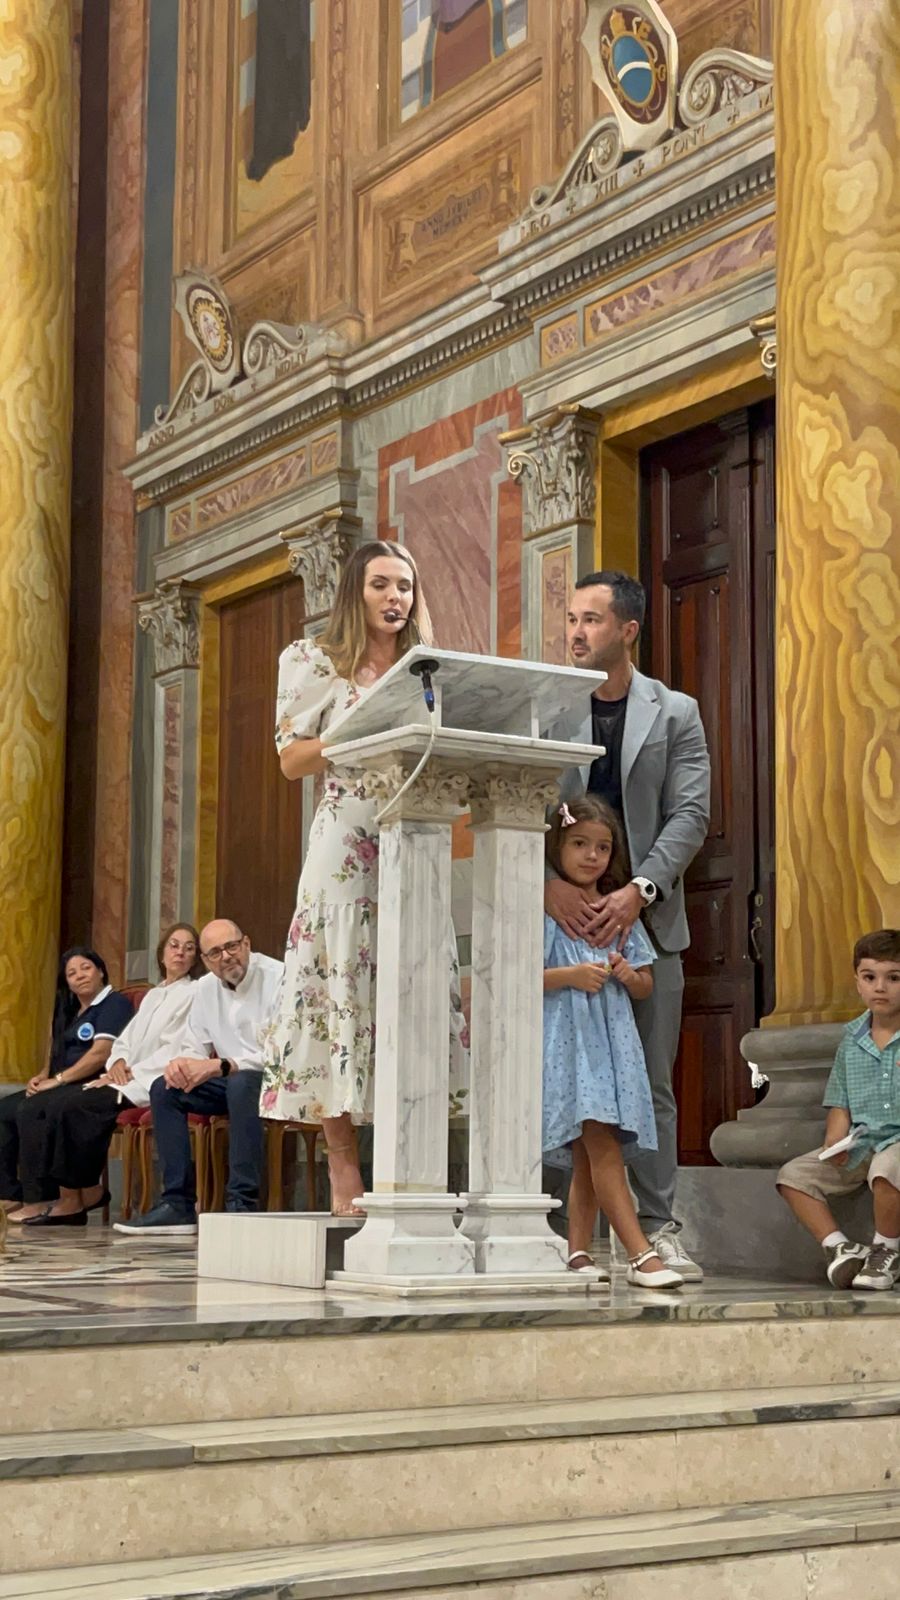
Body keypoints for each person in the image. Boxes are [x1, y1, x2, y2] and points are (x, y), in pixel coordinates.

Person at [261, 539, 468, 1216]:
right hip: (347, 845)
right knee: (337, 991)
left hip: (417, 836)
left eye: (404, 586)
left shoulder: (425, 669)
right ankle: (344, 1163)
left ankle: (413, 1159)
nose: (395, 597)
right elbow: (292, 760)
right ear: (355, 591)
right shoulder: (314, 659)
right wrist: (361, 731)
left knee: (412, 988)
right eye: (381, 584)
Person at [546, 571, 710, 1280]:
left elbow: (691, 814)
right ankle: (569, 1234)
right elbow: (519, 803)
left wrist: (639, 891)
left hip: (646, 922)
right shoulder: (549, 707)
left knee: (650, 1085)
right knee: (566, 1082)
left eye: (592, 619)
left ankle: (657, 1226)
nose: (577, 631)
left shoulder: (676, 713)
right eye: (572, 618)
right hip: (562, 920)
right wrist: (547, 885)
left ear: (628, 630)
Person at [543, 796, 684, 1290]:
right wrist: (570, 976)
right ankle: (640, 1254)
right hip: (571, 1047)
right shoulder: (547, 913)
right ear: (557, 848)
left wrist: (626, 973)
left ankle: (577, 1250)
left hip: (611, 1047)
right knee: (601, 1143)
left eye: (602, 847)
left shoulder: (619, 915)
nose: (591, 856)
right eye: (579, 844)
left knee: (591, 1152)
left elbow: (645, 984)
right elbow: (518, 976)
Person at [22, 925, 203, 1228]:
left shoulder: (194, 992)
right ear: (162, 953)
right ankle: (73, 1194)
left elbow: (178, 1047)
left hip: (151, 1081)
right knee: (57, 1102)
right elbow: (125, 1039)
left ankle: (82, 1193)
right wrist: (118, 1061)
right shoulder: (154, 995)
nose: (180, 953)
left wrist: (131, 1072)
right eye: (174, 946)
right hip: (125, 1076)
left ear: (195, 957)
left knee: (73, 1106)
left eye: (189, 948)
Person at [115, 921, 283, 1235]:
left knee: (242, 1083)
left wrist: (222, 1065)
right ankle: (177, 1204)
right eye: (215, 953)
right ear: (205, 960)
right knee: (164, 1088)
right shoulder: (205, 989)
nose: (226, 957)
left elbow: (282, 1052)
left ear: (246, 944)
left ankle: (241, 1203)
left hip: (276, 1080)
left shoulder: (278, 977)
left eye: (232, 946)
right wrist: (183, 1066)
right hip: (228, 1080)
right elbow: (194, 1044)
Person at [777, 930, 900, 1292]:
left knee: (887, 1169)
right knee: (793, 1176)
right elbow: (840, 1103)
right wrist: (835, 1141)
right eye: (870, 977)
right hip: (863, 1142)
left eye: (894, 978)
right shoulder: (851, 1042)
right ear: (858, 982)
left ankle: (886, 1251)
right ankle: (840, 1247)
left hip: (897, 1145)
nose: (880, 987)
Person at [0, 949, 134, 1222]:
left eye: (86, 968)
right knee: (3, 1110)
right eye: (72, 973)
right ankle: (10, 1193)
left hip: (90, 1084)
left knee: (32, 1109)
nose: (80, 976)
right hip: (60, 1083)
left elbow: (100, 1054)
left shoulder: (114, 1004)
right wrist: (42, 1076)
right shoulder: (69, 1008)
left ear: (100, 971)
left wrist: (58, 1080)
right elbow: (56, 1052)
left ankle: (39, 1198)